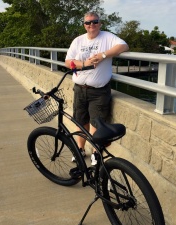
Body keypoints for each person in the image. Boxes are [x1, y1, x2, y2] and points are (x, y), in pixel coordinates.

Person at [65, 12, 129, 165]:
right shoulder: (78, 40)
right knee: (80, 121)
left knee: (96, 122)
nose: (91, 25)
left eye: (95, 22)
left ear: (100, 23)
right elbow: (68, 62)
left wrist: (103, 55)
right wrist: (83, 65)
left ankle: (96, 152)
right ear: (84, 25)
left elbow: (124, 46)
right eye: (88, 23)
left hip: (99, 91)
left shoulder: (107, 37)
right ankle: (80, 149)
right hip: (79, 88)